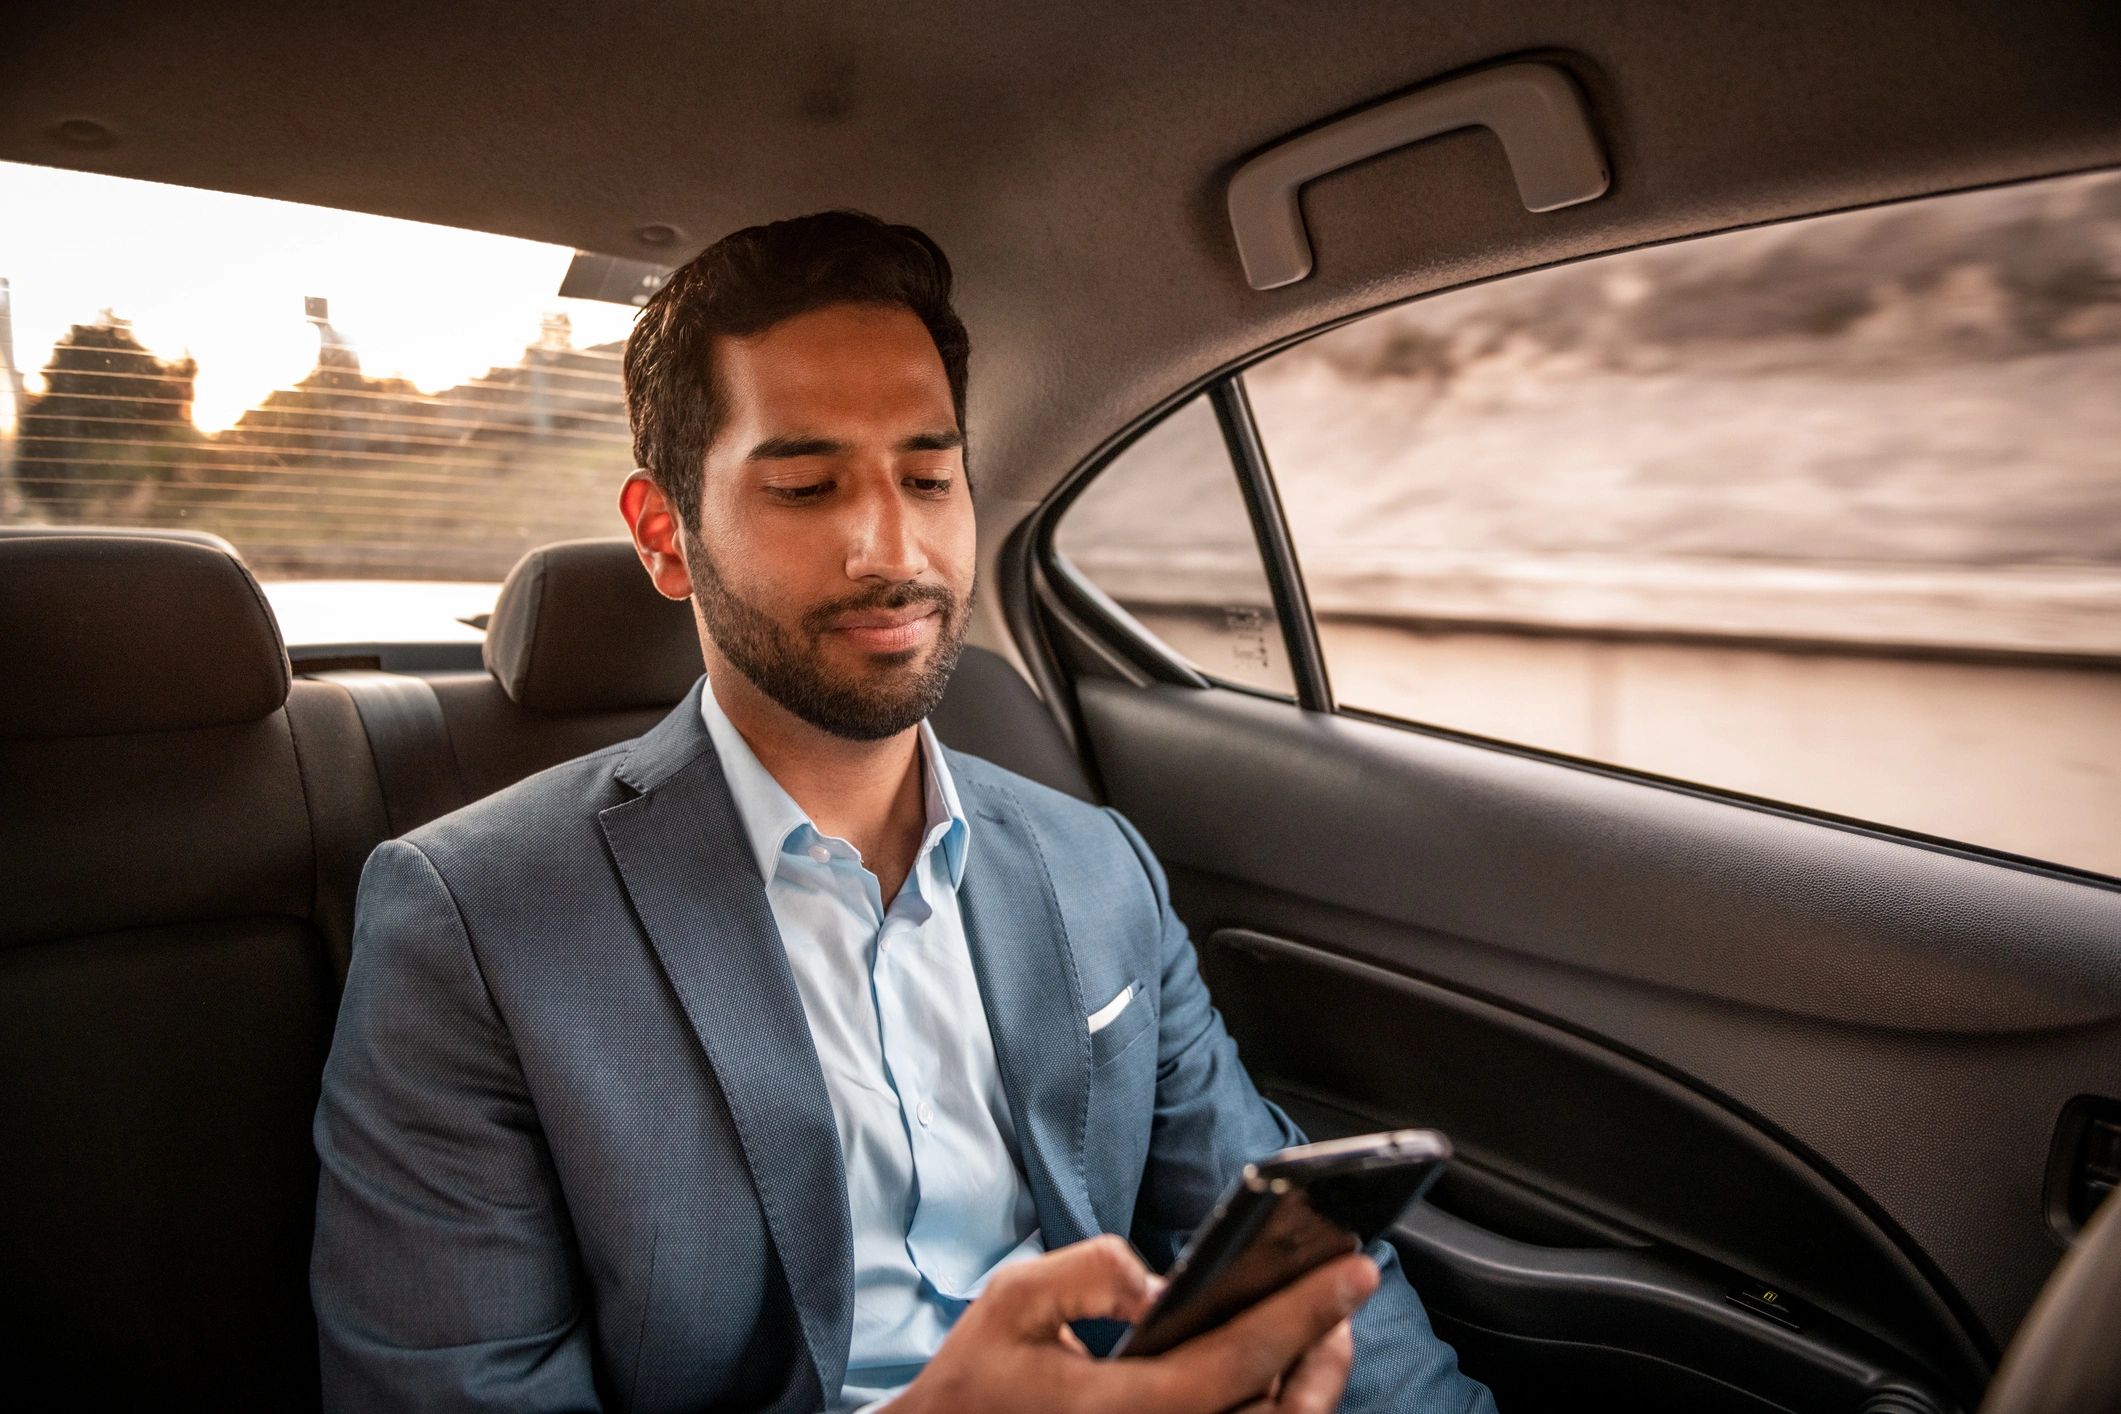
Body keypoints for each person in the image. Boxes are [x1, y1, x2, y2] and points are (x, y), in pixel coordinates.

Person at [310, 210, 1494, 1414]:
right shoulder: (472, 921)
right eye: (810, 485)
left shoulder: (1097, 867)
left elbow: (1307, 1252)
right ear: (667, 537)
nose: (895, 549)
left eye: (928, 478)